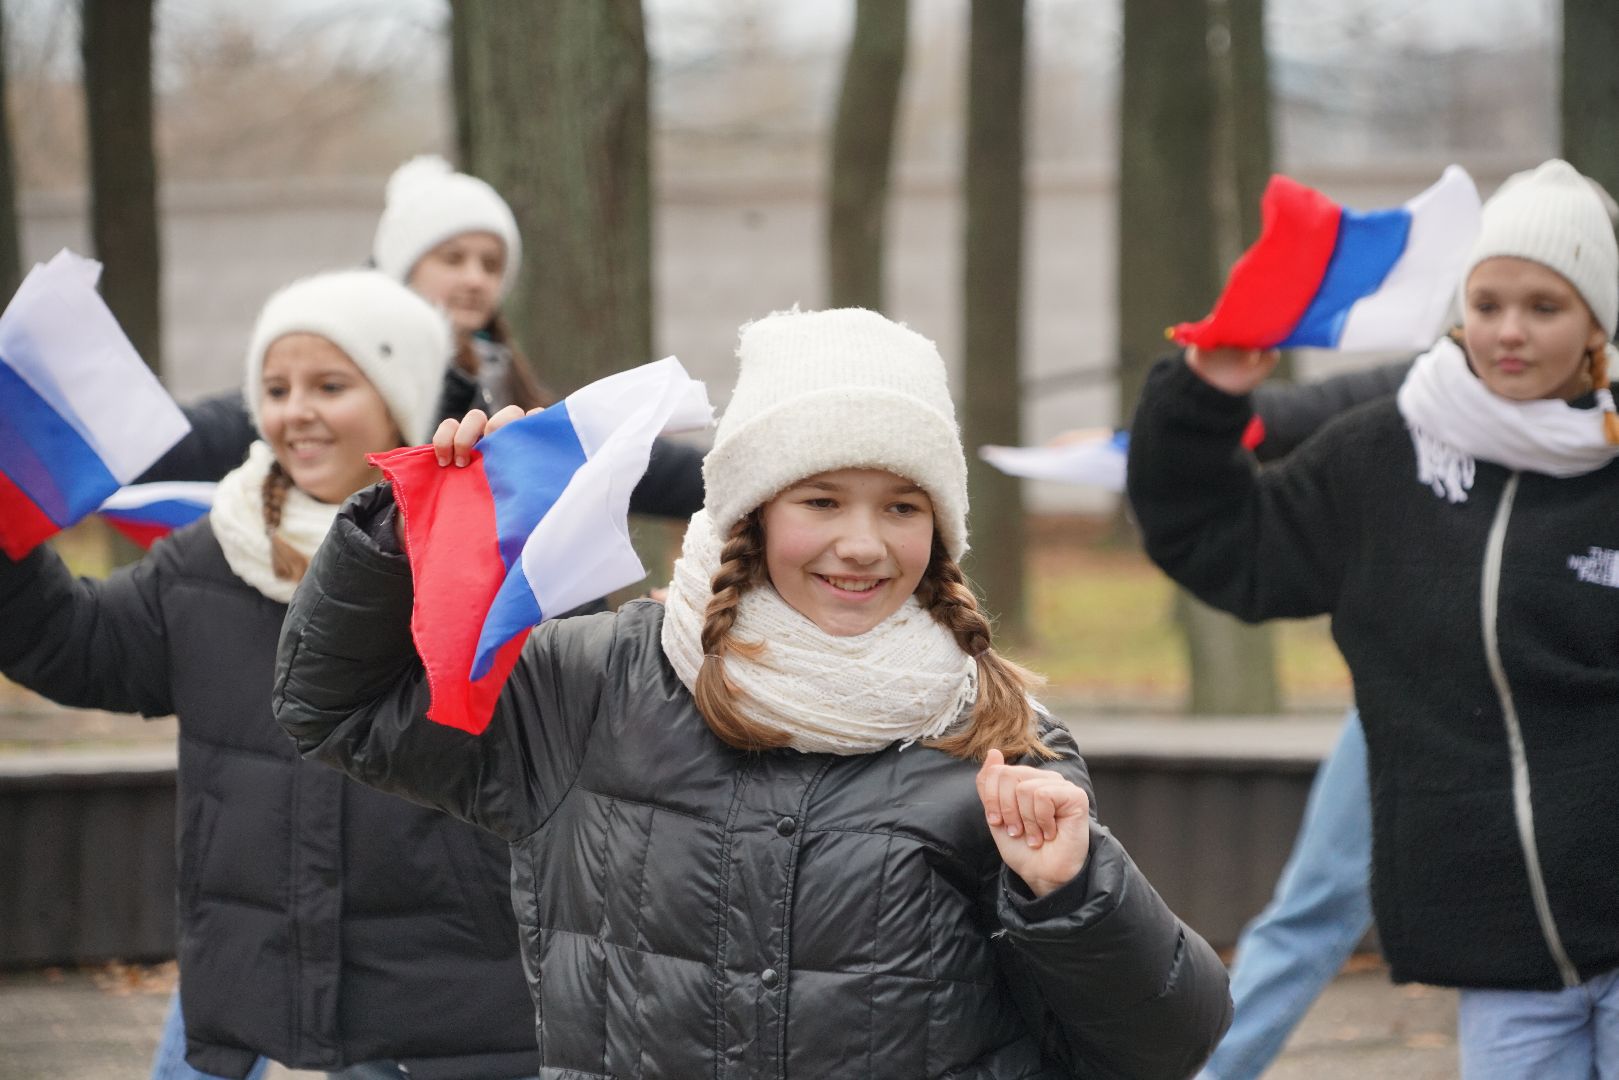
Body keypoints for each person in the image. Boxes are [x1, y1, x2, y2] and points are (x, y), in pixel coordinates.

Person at [272, 306, 1234, 1077]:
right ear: (747, 514)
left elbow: (1166, 1047)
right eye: (820, 501)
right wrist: (409, 534)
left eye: (900, 508)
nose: (862, 544)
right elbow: (338, 711)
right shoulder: (593, 684)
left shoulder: (992, 736)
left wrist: (1074, 893)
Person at [1127, 159, 1619, 1078]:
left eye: (1544, 307)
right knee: (1308, 907)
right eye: (1487, 302)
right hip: (1505, 959)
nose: (1508, 332)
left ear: (1596, 321)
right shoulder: (1382, 452)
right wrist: (1202, 398)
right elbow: (1222, 544)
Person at [0, 271, 539, 1080]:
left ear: (400, 399)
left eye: (330, 384)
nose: (297, 412)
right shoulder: (209, 556)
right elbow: (78, 648)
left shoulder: (484, 550)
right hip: (248, 979)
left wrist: (522, 527)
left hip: (440, 1002)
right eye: (276, 388)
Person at [139, 154, 704, 524]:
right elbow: (214, 431)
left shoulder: (497, 377)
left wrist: (728, 476)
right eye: (452, 258)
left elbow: (611, 458)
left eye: (491, 263)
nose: (474, 278)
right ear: (401, 266)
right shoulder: (337, 345)